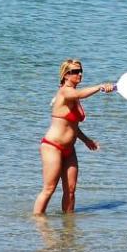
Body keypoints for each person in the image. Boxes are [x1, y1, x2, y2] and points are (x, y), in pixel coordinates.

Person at [33, 59, 114, 215]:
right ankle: (38, 223)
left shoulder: (74, 95)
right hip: (52, 146)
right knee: (49, 189)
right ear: (66, 75)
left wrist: (86, 140)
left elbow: (73, 127)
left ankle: (69, 226)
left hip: (69, 149)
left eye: (80, 70)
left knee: (70, 190)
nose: (80, 74)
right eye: (76, 71)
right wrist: (100, 87)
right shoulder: (65, 91)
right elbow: (78, 94)